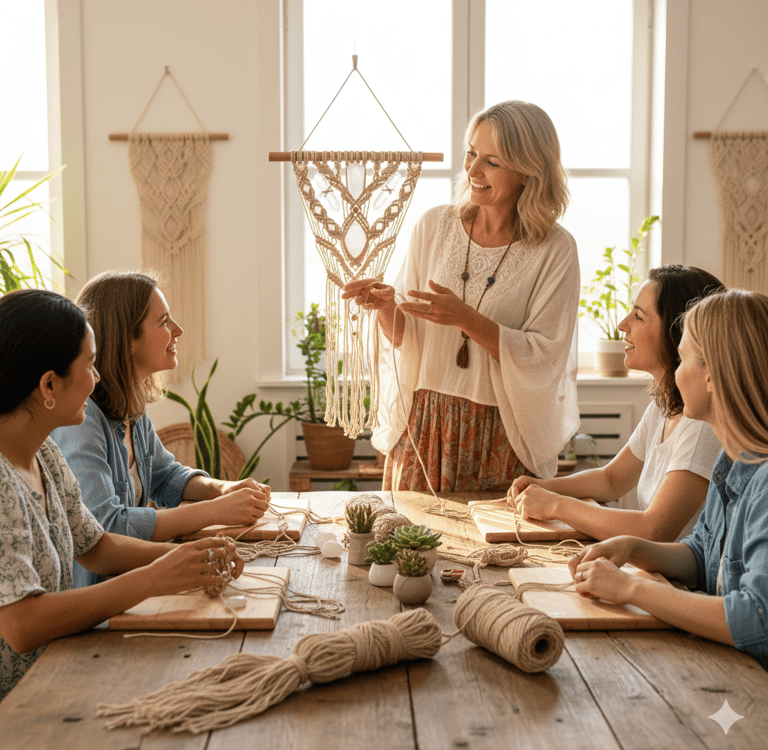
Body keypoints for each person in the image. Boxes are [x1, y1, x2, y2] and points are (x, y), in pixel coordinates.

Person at [0, 289, 243, 700]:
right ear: (48, 385)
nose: (97, 379)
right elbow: (21, 626)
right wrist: (152, 580)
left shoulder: (45, 453)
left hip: (53, 677)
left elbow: (97, 546)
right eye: (90, 365)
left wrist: (191, 560)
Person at [343, 100, 579, 492]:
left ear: (528, 171)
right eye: (470, 153)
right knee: (409, 551)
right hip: (424, 426)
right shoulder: (434, 225)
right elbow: (408, 339)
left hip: (502, 434)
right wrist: (387, 307)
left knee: (493, 552)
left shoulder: (556, 249)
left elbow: (546, 355)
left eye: (491, 161)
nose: (472, 170)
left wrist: (465, 318)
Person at [570, 289, 768, 668]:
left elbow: (757, 617)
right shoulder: (731, 462)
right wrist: (632, 547)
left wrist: (631, 587)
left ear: (711, 376)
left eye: (682, 359)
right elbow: (700, 555)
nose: (675, 374)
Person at [51, 270, 269, 588]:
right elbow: (107, 528)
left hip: (132, 584)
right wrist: (214, 511)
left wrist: (222, 490)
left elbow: (165, 475)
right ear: (127, 340)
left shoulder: (131, 409)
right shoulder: (82, 424)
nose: (177, 330)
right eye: (164, 321)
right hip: (98, 601)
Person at [508, 265, 725, 542]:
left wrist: (554, 505)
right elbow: (611, 480)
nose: (623, 324)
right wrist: (543, 486)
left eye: (638, 316)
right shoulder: (662, 407)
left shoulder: (702, 425)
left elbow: (654, 530)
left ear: (677, 332)